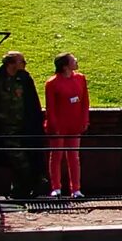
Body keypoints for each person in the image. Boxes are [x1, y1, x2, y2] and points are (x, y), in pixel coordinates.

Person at [0, 51, 43, 202]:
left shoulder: (24, 78)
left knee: (24, 158)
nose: (25, 64)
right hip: (2, 127)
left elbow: (33, 102)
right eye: (22, 61)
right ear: (11, 63)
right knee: (18, 159)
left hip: (22, 127)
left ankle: (22, 190)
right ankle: (20, 189)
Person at [41, 52, 89, 202]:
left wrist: (84, 120)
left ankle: (76, 189)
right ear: (65, 65)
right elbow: (51, 107)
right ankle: (56, 187)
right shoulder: (52, 83)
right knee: (56, 157)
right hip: (59, 126)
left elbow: (85, 102)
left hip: (74, 124)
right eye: (73, 60)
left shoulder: (80, 78)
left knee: (74, 157)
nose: (76, 61)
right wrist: (54, 125)